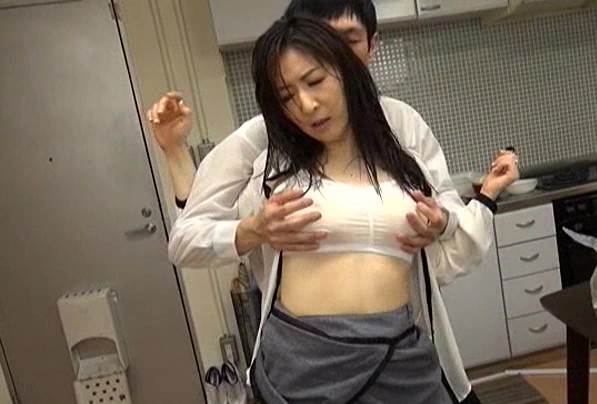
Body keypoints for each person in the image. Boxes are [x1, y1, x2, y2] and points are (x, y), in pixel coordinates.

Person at [229, 16, 518, 404]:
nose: (307, 104)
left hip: (400, 357)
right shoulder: (274, 172)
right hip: (303, 365)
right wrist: (248, 224)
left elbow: (448, 249)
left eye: (315, 80)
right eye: (287, 95)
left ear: (351, 62)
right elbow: (209, 229)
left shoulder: (405, 157)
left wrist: (462, 211)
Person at [148, 0, 461, 260]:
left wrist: (442, 221)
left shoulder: (401, 122)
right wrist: (254, 229)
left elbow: (449, 208)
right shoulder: (262, 139)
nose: (336, 55)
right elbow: (189, 234)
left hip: (404, 311)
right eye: (319, 44)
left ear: (371, 45)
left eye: (348, 41)